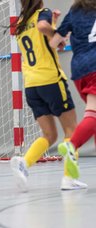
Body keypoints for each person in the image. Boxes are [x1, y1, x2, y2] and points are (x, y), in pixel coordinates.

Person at [9, 0, 84, 191]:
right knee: (71, 129)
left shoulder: (20, 23)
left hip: (31, 84)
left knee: (49, 134)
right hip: (50, 79)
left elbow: (40, 41)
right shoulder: (42, 13)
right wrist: (57, 34)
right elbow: (42, 27)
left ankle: (24, 163)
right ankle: (69, 178)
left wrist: (53, 25)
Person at [50, 0, 96, 189]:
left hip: (79, 70)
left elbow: (53, 42)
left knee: (93, 118)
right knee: (93, 114)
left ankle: (68, 177)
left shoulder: (75, 11)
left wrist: (60, 39)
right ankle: (72, 145)